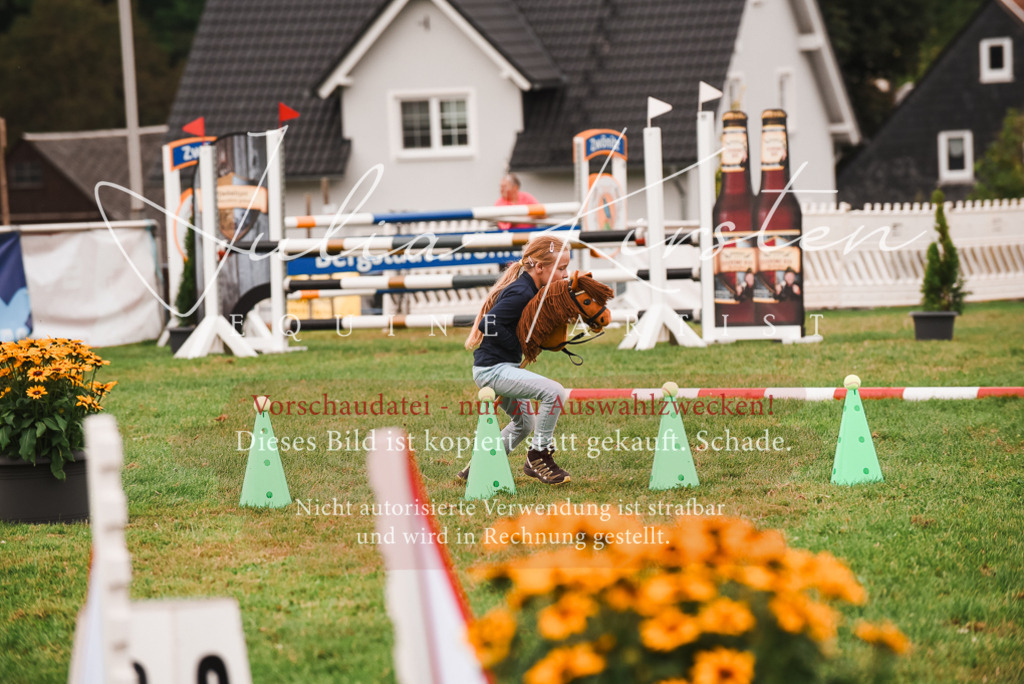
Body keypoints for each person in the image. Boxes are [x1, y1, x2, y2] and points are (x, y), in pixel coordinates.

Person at [461, 235, 571, 484]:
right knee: (554, 393)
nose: (565, 274)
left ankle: (481, 465)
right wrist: (521, 345)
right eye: (561, 268)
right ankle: (539, 455)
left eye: (566, 268)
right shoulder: (522, 292)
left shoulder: (532, 289)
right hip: (492, 371)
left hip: (502, 368)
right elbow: (488, 323)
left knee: (524, 423)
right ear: (540, 267)